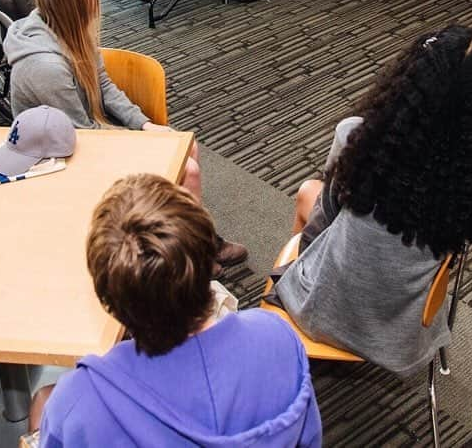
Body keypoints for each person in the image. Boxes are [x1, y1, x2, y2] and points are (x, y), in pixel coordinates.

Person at [271, 25, 472, 378]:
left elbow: (323, 226)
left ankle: (290, 316)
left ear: (409, 85)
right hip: (404, 337)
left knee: (307, 193)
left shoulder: (356, 140)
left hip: (320, 315)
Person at [32, 174, 321, 447]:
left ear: (110, 304)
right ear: (207, 259)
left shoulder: (78, 404)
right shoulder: (278, 340)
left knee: (41, 403)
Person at [4, 0, 247, 267]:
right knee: (189, 170)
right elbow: (81, 137)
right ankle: (193, 253)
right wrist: (139, 143)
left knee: (187, 147)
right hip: (62, 158)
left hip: (88, 132)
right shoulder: (45, 67)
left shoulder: (66, 26)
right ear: (77, 5)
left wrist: (144, 125)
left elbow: (103, 84)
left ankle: (192, 244)